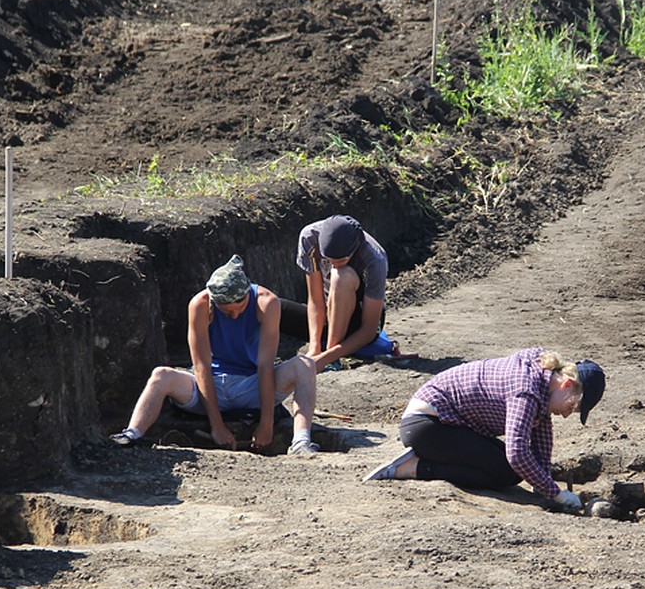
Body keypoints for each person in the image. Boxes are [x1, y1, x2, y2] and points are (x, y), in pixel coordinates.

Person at [110, 255, 321, 456]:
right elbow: (201, 366)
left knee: (304, 365)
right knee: (161, 375)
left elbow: (265, 366)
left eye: (239, 309)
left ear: (248, 293)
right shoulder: (200, 304)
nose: (235, 315)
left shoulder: (267, 303)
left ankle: (301, 441)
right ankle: (132, 434)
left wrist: (266, 423)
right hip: (210, 388)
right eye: (227, 312)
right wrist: (217, 426)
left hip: (252, 386)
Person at [363, 347, 606, 512]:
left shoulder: (543, 379)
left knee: (511, 473)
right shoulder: (526, 390)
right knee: (506, 471)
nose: (565, 414)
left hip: (448, 424)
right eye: (572, 407)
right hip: (427, 426)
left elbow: (541, 438)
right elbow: (518, 453)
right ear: (566, 384)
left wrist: (544, 490)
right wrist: (556, 494)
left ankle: (426, 458)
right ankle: (413, 467)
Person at [278, 214, 393, 371]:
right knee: (269, 305)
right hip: (328, 313)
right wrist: (314, 347)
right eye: (329, 260)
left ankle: (333, 353)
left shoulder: (375, 259)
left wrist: (326, 358)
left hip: (358, 324)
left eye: (340, 261)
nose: (333, 265)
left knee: (340, 276)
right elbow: (316, 301)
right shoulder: (309, 237)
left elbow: (368, 329)